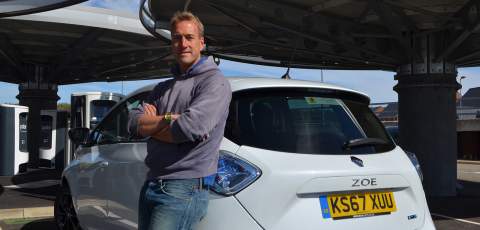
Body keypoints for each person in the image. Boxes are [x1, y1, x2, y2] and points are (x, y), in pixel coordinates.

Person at [128, 11, 232, 230]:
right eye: (177, 38)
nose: (183, 43)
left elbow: (190, 128)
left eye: (189, 37)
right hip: (153, 182)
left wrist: (151, 125)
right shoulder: (162, 87)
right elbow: (133, 123)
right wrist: (167, 119)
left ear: (201, 42)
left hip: (183, 188)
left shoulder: (214, 82)